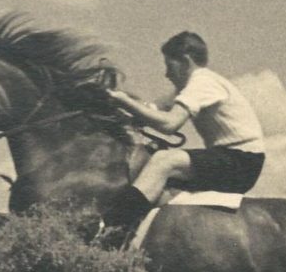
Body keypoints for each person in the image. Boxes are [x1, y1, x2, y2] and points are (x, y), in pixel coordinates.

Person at [101, 31, 266, 231]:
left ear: (185, 61)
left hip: (241, 162)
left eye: (169, 66)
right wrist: (114, 100)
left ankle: (111, 230)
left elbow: (170, 124)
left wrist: (124, 101)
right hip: (232, 158)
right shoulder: (191, 86)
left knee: (165, 161)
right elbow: (151, 110)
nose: (167, 74)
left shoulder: (202, 81)